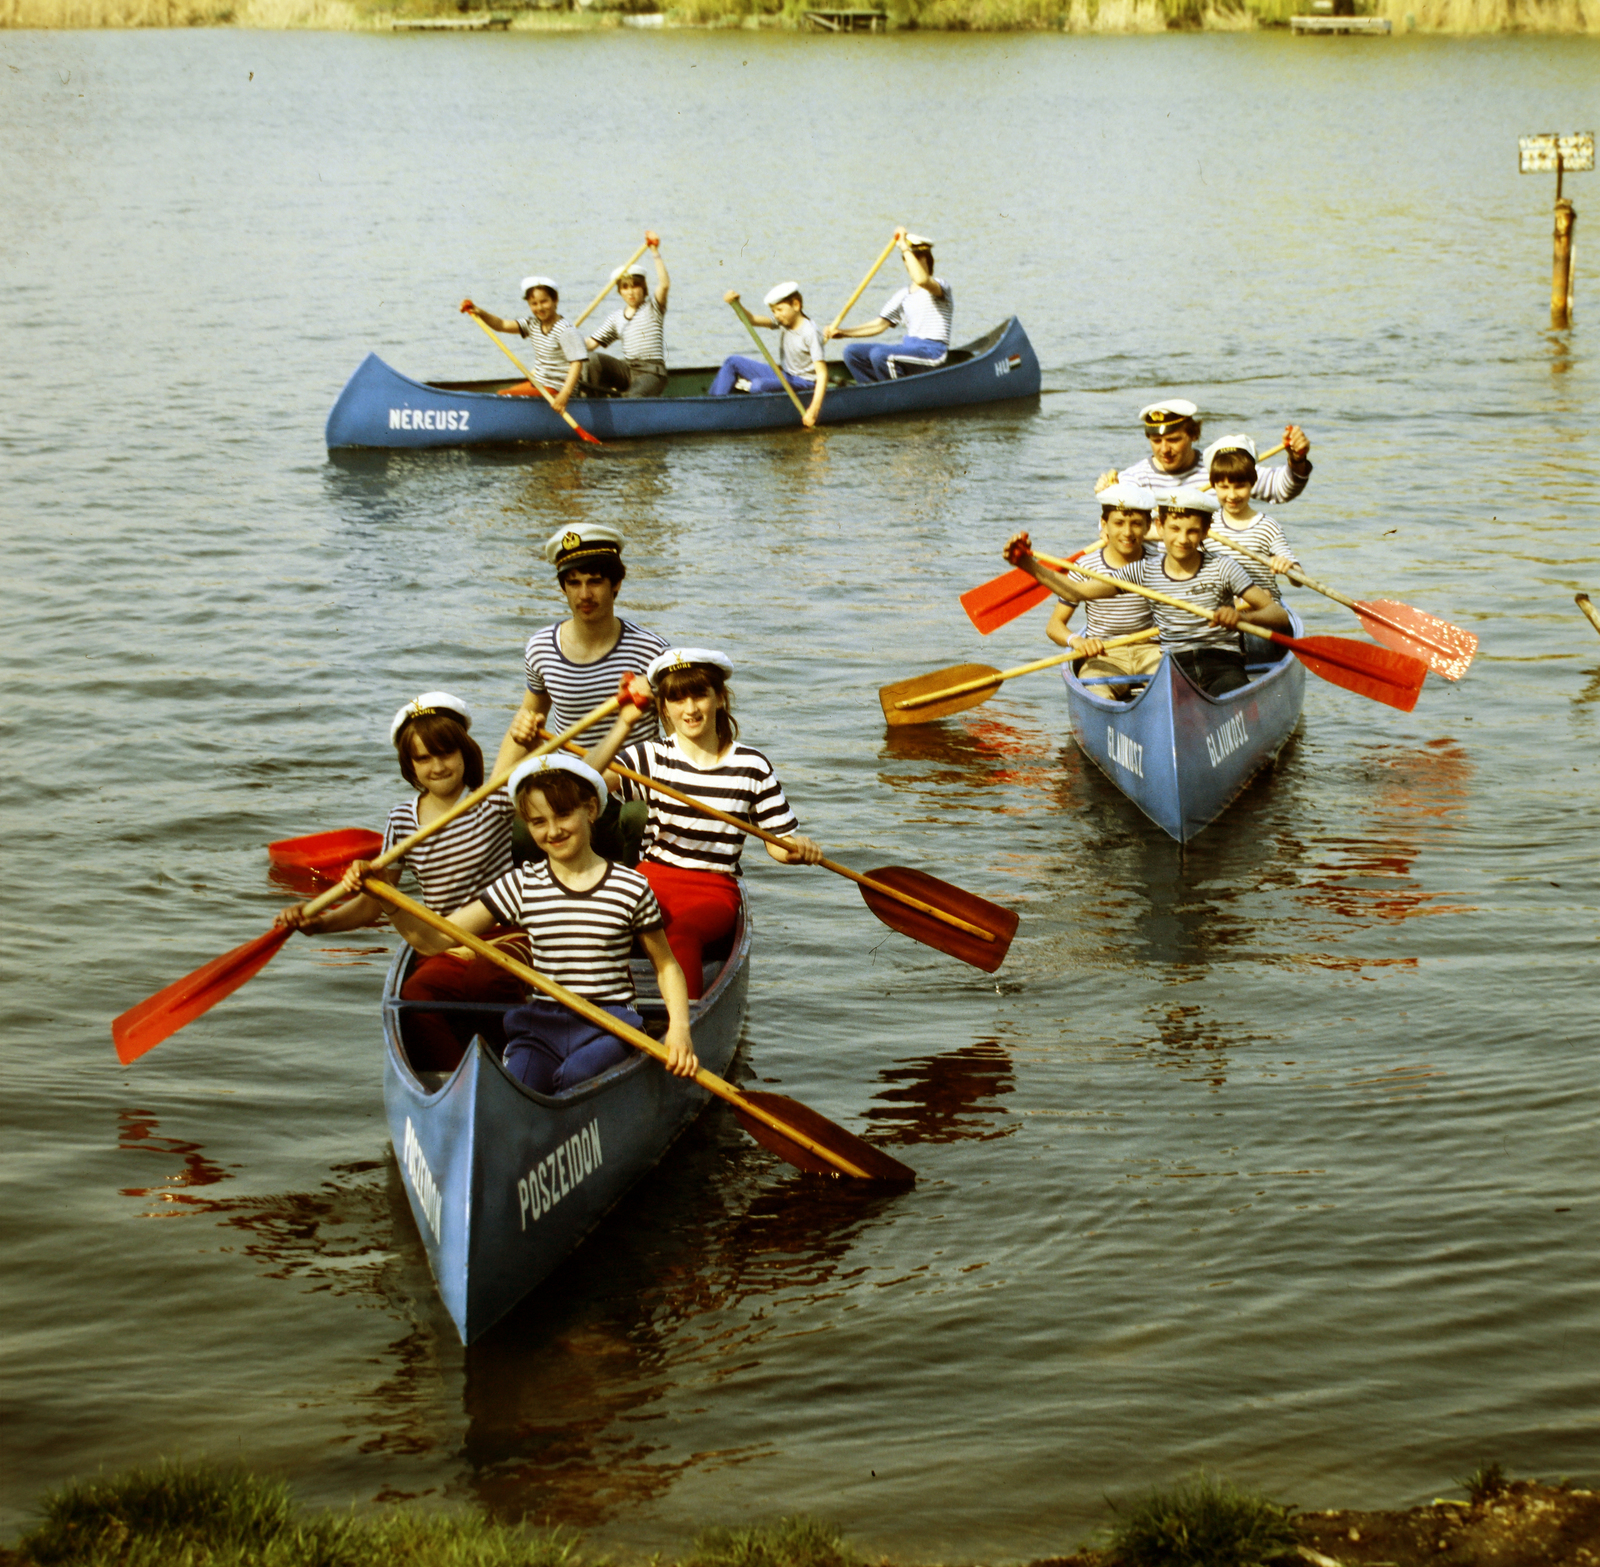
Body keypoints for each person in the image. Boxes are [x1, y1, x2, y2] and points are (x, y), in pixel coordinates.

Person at [422, 754, 697, 1095]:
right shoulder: (521, 884)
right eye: (538, 822)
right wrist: (387, 902)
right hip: (542, 1024)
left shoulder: (630, 887)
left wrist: (680, 1029)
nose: (553, 831)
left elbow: (666, 966)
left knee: (572, 1078)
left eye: (564, 815)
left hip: (610, 1024)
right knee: (517, 1088)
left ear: (591, 810)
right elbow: (432, 939)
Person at [277, 692, 523, 1071]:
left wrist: (530, 740)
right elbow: (374, 902)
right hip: (443, 945)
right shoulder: (402, 821)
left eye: (445, 754)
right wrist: (318, 925)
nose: (437, 766)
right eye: (423, 758)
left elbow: (532, 763)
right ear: (410, 766)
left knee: (484, 983)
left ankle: (516, 1063)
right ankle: (454, 1081)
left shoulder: (491, 801)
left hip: (503, 937)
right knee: (415, 996)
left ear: (464, 754)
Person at [584, 648, 822, 1001]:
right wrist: (625, 723)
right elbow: (580, 785)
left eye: (699, 695)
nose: (690, 709)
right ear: (664, 708)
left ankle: (685, 1026)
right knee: (599, 913)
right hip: (652, 876)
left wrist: (797, 850)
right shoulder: (652, 757)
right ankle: (601, 1011)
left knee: (677, 927)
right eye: (677, 699)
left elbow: (776, 843)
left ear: (720, 698)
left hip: (713, 886)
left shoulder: (751, 765)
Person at [1005, 487, 1291, 698]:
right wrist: (1028, 565)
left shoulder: (1224, 567)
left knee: (1192, 693)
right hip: (1142, 659)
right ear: (1160, 528)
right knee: (1120, 693)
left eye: (1192, 531)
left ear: (1205, 532)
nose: (1182, 538)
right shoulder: (1143, 571)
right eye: (1174, 529)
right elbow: (1077, 592)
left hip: (1203, 660)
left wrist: (1242, 618)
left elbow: (1277, 614)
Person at [496, 525, 668, 864]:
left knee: (639, 818)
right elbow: (529, 716)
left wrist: (602, 780)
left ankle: (638, 894)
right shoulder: (541, 648)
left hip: (628, 789)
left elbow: (677, 741)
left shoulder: (652, 652)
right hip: (567, 790)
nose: (584, 594)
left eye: (595, 581)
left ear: (616, 584)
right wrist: (494, 795)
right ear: (563, 587)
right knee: (513, 829)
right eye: (573, 582)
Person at [1046, 485, 1162, 697]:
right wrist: (1078, 641)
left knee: (1171, 688)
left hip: (1152, 650)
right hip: (1104, 654)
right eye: (1118, 523)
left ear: (1148, 527)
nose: (1127, 532)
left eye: (1136, 524)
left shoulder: (1160, 563)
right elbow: (1054, 626)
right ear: (1104, 525)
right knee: (1095, 690)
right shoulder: (1084, 567)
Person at [1095, 400, 1313, 504]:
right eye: (1156, 441)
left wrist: (1297, 459)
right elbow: (1112, 531)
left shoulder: (1218, 467)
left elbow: (1282, 490)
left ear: (1193, 435)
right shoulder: (1132, 479)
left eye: (1173, 440)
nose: (1164, 450)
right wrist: (1111, 499)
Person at [826, 229, 954, 383]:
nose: (913, 261)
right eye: (909, 258)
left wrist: (904, 247)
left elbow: (921, 280)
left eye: (919, 256)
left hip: (933, 353)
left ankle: (896, 395)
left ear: (928, 259)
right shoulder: (903, 295)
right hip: (910, 349)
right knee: (851, 352)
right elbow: (879, 325)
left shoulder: (940, 286)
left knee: (880, 355)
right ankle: (871, 393)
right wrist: (843, 333)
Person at [709, 283, 828, 429]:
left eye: (779, 310)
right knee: (732, 362)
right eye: (773, 311)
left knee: (759, 385)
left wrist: (813, 411)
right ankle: (714, 406)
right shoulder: (783, 321)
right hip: (786, 375)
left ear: (796, 305)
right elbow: (751, 320)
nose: (776, 315)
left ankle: (723, 410)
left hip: (805, 383)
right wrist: (737, 304)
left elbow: (822, 375)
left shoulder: (810, 332)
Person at [461, 277, 586, 414]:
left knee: (504, 395)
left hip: (558, 389)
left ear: (555, 300)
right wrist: (479, 312)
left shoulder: (566, 330)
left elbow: (577, 364)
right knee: (502, 394)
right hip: (539, 384)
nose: (539, 308)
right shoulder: (533, 324)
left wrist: (564, 395)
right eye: (534, 303)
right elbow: (502, 325)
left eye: (544, 301)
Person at [1202, 434, 1299, 601]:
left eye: (1240, 486)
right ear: (1213, 485)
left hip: (1262, 608)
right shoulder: (1206, 524)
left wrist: (1287, 566)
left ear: (1252, 483)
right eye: (1224, 487)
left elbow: (1298, 579)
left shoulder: (1268, 527)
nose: (1232, 495)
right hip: (1220, 608)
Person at [583, 233, 670, 399]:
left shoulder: (653, 308)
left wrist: (654, 251)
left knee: (633, 397)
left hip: (652, 373)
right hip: (627, 370)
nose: (630, 292)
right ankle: (591, 402)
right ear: (619, 291)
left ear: (643, 288)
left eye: (635, 286)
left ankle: (627, 400)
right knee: (590, 360)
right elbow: (590, 344)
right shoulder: (615, 318)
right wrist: (565, 342)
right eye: (625, 287)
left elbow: (664, 285)